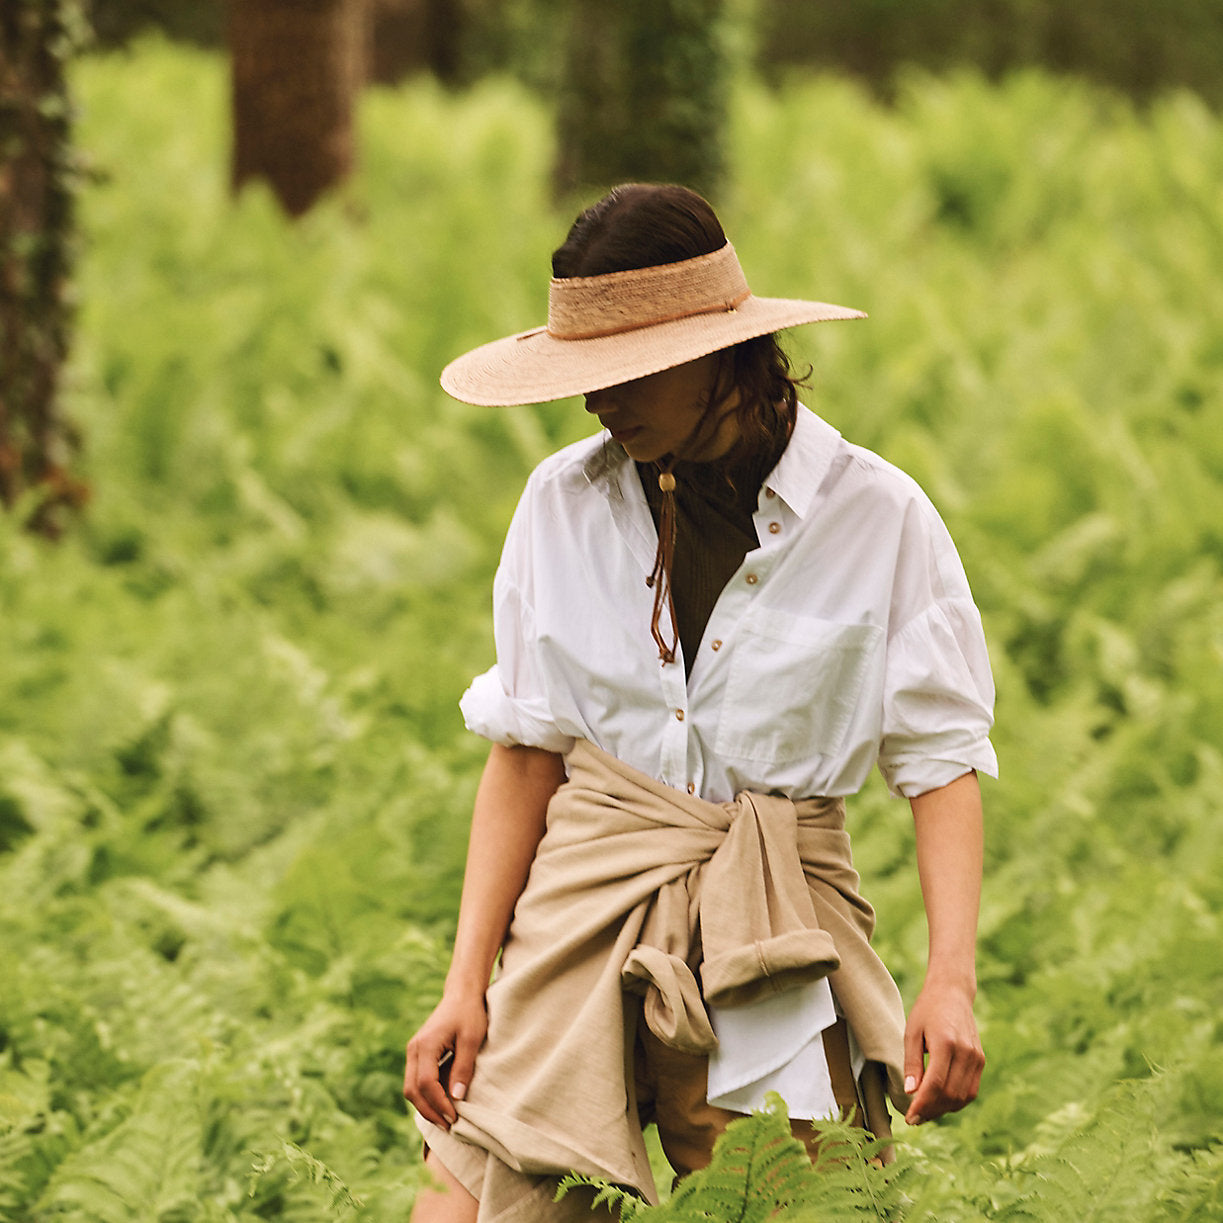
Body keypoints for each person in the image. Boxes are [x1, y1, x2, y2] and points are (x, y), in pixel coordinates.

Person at [403, 183, 996, 1223]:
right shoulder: (560, 503)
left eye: (621, 373)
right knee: (477, 1201)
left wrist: (950, 977)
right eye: (580, 374)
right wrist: (464, 982)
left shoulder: (876, 515)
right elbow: (525, 747)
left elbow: (938, 755)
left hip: (777, 904)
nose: (595, 401)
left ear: (722, 354)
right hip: (585, 882)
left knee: (784, 1198)